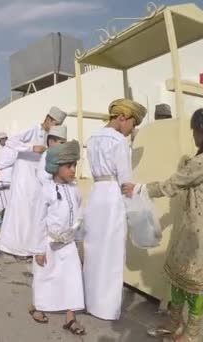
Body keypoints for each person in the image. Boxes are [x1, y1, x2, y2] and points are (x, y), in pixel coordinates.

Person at [124, 109, 203, 341]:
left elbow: (173, 184)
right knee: (179, 274)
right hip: (191, 227)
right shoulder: (196, 160)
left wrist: (139, 189)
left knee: (195, 281)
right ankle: (174, 321)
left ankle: (191, 332)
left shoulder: (200, 163)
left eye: (196, 132)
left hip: (198, 232)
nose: (194, 137)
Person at [82, 98, 146, 321]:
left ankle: (90, 302)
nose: (132, 129)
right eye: (133, 123)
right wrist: (137, 206)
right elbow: (126, 181)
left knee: (93, 251)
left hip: (96, 195)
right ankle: (106, 308)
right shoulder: (118, 141)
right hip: (112, 198)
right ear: (122, 117)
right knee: (112, 253)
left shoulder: (92, 139)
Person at [29, 140, 86, 336]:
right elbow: (38, 221)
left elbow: (78, 216)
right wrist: (38, 249)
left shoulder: (74, 190)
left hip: (68, 244)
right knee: (46, 277)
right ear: (55, 167)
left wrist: (78, 240)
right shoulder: (46, 190)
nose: (73, 170)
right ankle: (39, 306)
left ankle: (70, 316)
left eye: (74, 166)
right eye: (68, 166)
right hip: (48, 244)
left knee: (72, 278)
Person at [0, 106, 66, 259]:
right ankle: (14, 245)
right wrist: (30, 148)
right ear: (48, 119)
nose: (56, 127)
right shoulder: (32, 130)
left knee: (34, 208)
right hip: (24, 173)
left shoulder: (51, 136)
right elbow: (10, 142)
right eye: (55, 123)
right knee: (21, 206)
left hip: (38, 175)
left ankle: (30, 246)